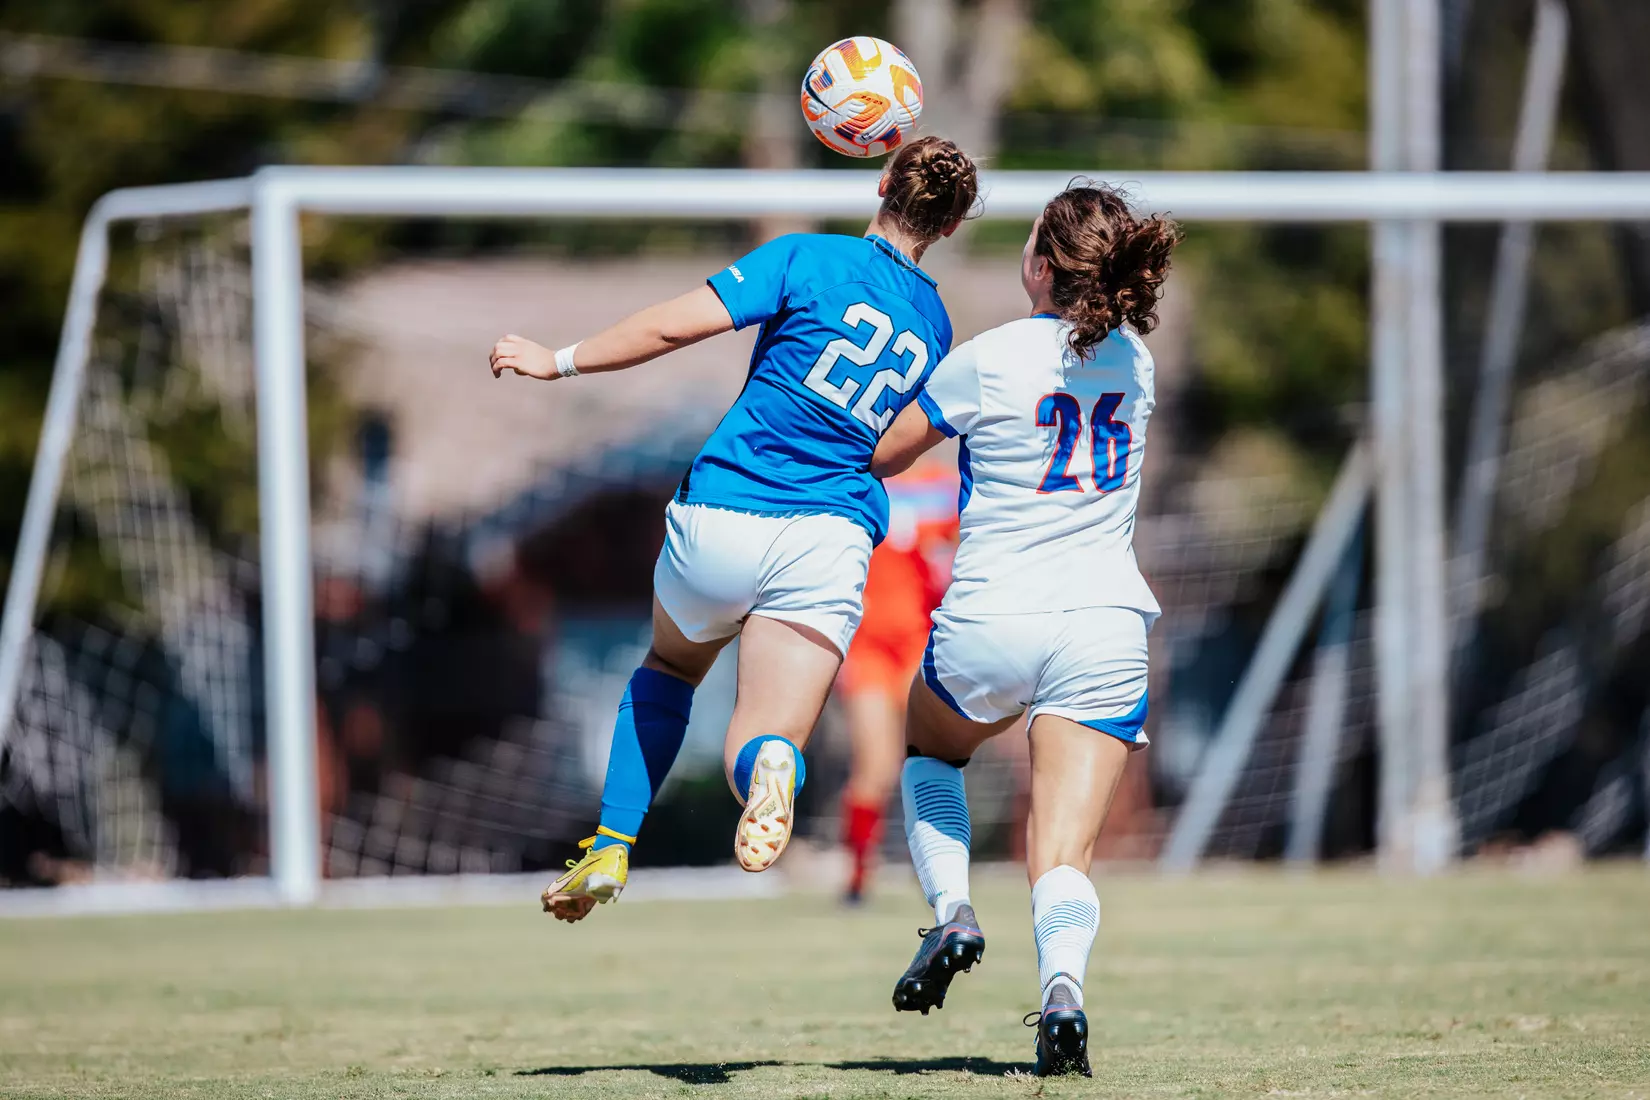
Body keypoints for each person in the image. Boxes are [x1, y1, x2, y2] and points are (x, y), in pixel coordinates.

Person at [488, 136, 979, 923]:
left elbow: (673, 328)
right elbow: (890, 450)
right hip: (828, 536)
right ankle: (775, 761)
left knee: (672, 670)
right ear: (951, 228)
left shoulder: (805, 258)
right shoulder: (934, 323)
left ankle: (613, 842)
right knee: (757, 739)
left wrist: (561, 360)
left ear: (881, 181)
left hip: (726, 509)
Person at [868, 183, 1179, 1076]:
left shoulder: (989, 356)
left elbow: (886, 454)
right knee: (1062, 852)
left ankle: (954, 910)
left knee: (931, 752)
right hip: (1104, 626)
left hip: (991, 619)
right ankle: (1063, 993)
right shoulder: (1138, 363)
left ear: (1041, 264)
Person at [836, 453, 957, 904]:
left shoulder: (943, 484)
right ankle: (858, 876)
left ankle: (939, 870)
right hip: (867, 645)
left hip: (919, 642)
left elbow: (965, 546)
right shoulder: (855, 473)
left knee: (930, 760)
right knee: (875, 767)